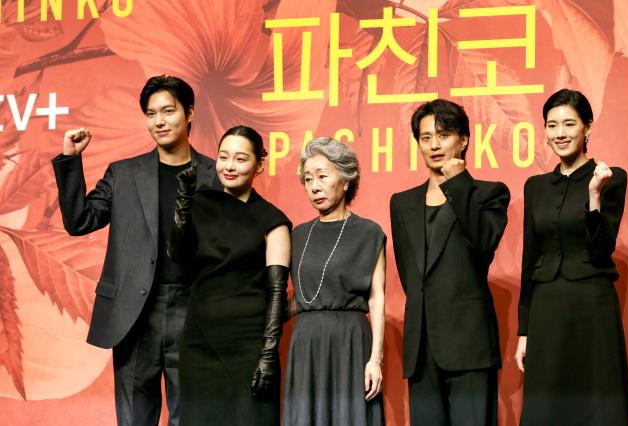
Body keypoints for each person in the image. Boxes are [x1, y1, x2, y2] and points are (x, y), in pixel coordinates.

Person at [51, 75, 220, 425]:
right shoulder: (124, 173)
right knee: (133, 418)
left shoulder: (215, 175)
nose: (159, 121)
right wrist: (70, 161)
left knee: (192, 416)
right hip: (134, 311)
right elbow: (80, 221)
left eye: (168, 111)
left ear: (189, 113)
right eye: (150, 113)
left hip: (195, 310)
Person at [515, 89, 628, 425]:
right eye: (552, 125)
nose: (560, 133)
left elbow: (600, 251)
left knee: (596, 404)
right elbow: (530, 258)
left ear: (588, 127)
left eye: (569, 124)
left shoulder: (611, 177)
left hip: (591, 307)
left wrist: (594, 196)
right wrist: (523, 331)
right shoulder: (535, 186)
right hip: (546, 308)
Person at [390, 99, 510, 426]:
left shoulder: (488, 193)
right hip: (421, 345)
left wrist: (457, 182)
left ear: (464, 140)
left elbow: (484, 243)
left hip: (468, 341)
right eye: (425, 137)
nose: (434, 145)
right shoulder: (402, 203)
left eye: (443, 135)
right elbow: (410, 274)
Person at [167, 125, 291, 426]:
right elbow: (178, 255)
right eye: (223, 157)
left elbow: (277, 290)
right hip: (200, 341)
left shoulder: (272, 220)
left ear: (259, 164)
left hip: (248, 345)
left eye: (240, 158)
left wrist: (269, 351)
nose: (229, 166)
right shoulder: (199, 203)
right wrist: (183, 204)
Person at [283, 137, 386, 426]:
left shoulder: (368, 232)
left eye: (322, 176)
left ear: (345, 180)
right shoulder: (298, 234)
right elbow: (303, 297)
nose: (314, 186)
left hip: (350, 342)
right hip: (306, 343)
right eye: (307, 179)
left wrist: (375, 360)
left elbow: (377, 298)